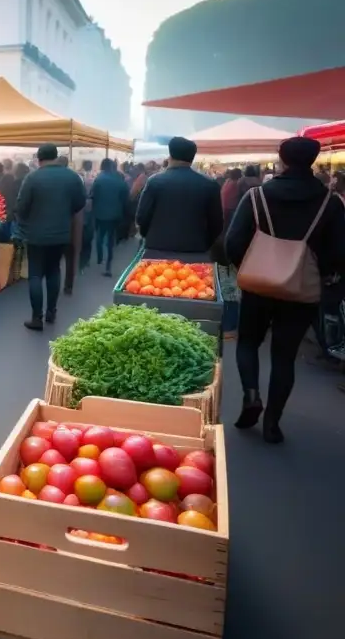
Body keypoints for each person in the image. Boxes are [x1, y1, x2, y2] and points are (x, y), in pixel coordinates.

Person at [225, 137, 345, 443]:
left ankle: (251, 394)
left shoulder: (256, 196)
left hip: (258, 285)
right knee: (284, 356)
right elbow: (338, 253)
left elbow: (233, 243)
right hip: (301, 290)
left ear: (281, 159)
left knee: (248, 342)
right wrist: (324, 271)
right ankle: (273, 423)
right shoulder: (329, 203)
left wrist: (250, 265)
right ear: (314, 161)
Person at [14, 144, 86, 330]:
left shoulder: (32, 178)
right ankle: (52, 312)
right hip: (61, 234)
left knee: (36, 274)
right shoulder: (72, 177)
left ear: (39, 159)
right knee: (54, 270)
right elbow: (80, 203)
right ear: (56, 156)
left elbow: (21, 207)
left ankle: (36, 318)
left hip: (35, 235)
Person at [136, 137, 222, 254]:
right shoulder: (210, 184)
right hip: (196, 250)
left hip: (157, 249)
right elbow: (217, 223)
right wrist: (204, 242)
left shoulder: (154, 182)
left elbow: (142, 217)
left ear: (170, 155)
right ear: (192, 159)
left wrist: (150, 236)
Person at [90, 158, 130, 276]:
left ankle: (100, 259)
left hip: (99, 214)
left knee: (99, 236)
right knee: (110, 239)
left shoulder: (98, 180)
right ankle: (108, 266)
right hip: (115, 215)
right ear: (113, 167)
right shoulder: (119, 180)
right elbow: (125, 198)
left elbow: (92, 195)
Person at [56, 155, 85, 295]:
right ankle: (68, 286)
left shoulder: (52, 178)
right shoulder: (76, 178)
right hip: (73, 221)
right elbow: (81, 201)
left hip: (55, 222)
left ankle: (53, 282)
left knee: (54, 257)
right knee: (71, 256)